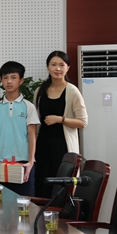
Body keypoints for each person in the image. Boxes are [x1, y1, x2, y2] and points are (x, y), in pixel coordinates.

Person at [33, 51, 88, 198]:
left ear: (67, 67)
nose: (57, 69)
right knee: (42, 185)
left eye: (61, 65)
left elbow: (83, 122)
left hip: (63, 147)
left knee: (63, 186)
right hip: (42, 146)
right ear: (47, 67)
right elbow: (36, 121)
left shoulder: (72, 91)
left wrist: (60, 119)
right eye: (53, 65)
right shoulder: (39, 91)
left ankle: (63, 213)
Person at [0, 61, 40, 196]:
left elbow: (32, 135)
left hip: (23, 163)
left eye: (13, 77)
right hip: (1, 163)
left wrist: (30, 162)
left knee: (24, 202)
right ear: (1, 80)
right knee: (0, 203)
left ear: (21, 80)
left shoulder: (28, 106)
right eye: (5, 77)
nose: (9, 81)